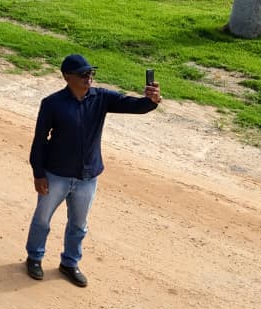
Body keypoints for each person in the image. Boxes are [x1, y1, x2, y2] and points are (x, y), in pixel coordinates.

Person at [25, 54, 161, 287]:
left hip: (87, 177)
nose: (88, 77)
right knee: (42, 220)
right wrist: (38, 173)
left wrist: (152, 100)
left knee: (79, 225)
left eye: (90, 73)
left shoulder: (101, 98)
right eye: (83, 74)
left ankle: (70, 263)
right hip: (56, 175)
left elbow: (135, 106)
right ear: (67, 77)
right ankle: (34, 257)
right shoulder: (52, 104)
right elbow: (39, 141)